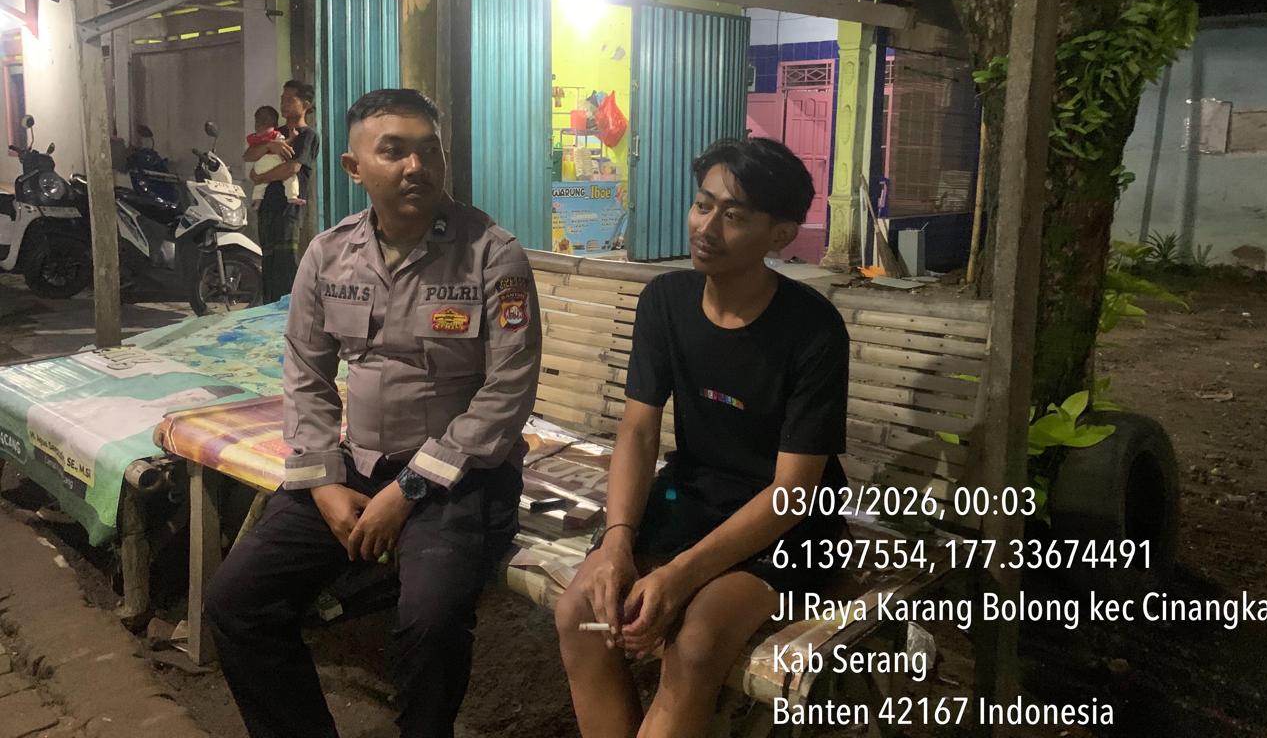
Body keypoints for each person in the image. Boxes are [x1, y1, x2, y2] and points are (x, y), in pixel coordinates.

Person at [206, 88, 542, 738]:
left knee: (431, 621)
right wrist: (323, 482)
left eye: (429, 151)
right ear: (353, 167)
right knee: (237, 602)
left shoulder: (491, 254)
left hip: (458, 478)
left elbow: (508, 391)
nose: (416, 166)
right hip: (354, 467)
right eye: (394, 151)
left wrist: (409, 489)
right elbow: (306, 374)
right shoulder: (328, 255)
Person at [555, 137, 849, 738]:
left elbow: (793, 490)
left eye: (734, 215)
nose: (706, 228)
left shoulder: (812, 329)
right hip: (692, 494)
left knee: (695, 643)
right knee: (580, 611)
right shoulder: (666, 300)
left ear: (780, 234)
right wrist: (617, 543)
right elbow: (639, 431)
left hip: (789, 520)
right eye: (702, 204)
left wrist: (681, 574)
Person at [245, 80, 320, 302]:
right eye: (282, 99)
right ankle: (270, 309)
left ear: (305, 104)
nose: (283, 104)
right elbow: (248, 156)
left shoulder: (307, 136)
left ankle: (290, 313)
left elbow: (292, 168)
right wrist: (269, 146)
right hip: (267, 207)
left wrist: (261, 177)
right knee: (268, 264)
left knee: (286, 263)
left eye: (290, 100)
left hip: (288, 210)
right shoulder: (274, 134)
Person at [246, 105, 302, 210]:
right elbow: (284, 145)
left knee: (260, 185)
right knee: (291, 178)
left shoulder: (254, 137)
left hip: (260, 164)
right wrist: (292, 138)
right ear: (275, 124)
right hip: (274, 161)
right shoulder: (275, 134)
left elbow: (249, 154)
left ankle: (257, 200)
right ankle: (292, 196)